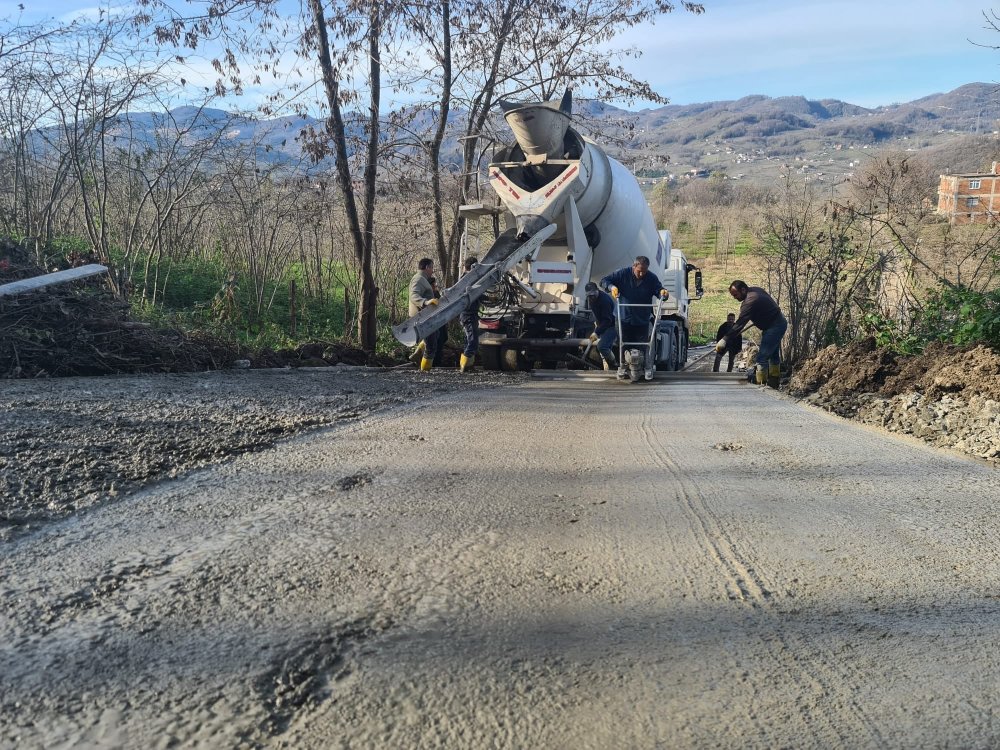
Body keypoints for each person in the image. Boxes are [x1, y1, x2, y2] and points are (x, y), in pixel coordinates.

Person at [600, 255, 669, 366]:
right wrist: (611, 287)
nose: (642, 274)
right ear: (634, 266)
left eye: (644, 271)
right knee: (623, 345)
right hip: (623, 318)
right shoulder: (622, 274)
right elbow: (604, 281)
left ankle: (645, 366)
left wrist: (663, 293)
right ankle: (623, 365)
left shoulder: (651, 278)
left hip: (642, 319)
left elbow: (659, 289)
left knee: (643, 346)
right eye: (639, 271)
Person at [717, 280, 787, 387]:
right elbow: (764, 307)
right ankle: (774, 382)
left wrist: (724, 339)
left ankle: (762, 384)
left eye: (735, 294)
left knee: (762, 357)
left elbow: (740, 323)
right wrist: (759, 317)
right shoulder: (756, 290)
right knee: (773, 355)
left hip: (774, 326)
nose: (734, 297)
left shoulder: (750, 300)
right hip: (776, 323)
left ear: (743, 289)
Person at [407, 257, 442, 371]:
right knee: (431, 346)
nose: (432, 270)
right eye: (432, 267)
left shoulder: (423, 279)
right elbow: (414, 296)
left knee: (436, 337)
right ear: (427, 267)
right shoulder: (418, 279)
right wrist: (426, 302)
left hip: (426, 316)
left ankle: (419, 353)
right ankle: (425, 371)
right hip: (422, 318)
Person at [584, 281, 617, 370]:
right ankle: (608, 367)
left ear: (597, 290)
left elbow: (608, 320)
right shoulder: (591, 299)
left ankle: (614, 365)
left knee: (602, 346)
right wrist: (596, 323)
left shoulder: (604, 301)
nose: (591, 297)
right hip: (603, 325)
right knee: (605, 348)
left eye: (592, 295)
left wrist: (597, 332)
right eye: (589, 296)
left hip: (612, 325)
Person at [458, 256, 479, 372]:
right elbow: (475, 293)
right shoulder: (467, 280)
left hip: (466, 313)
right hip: (468, 314)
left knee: (468, 340)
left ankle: (469, 365)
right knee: (473, 341)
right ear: (473, 267)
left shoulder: (465, 279)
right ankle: (464, 366)